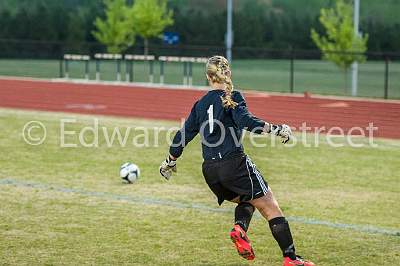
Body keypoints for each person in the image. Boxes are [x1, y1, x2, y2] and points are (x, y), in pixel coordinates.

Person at [159, 55, 315, 266]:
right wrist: (278, 129)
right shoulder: (232, 96)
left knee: (247, 199)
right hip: (234, 163)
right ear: (228, 73)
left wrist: (170, 160)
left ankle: (240, 228)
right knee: (270, 205)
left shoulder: (200, 104)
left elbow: (183, 135)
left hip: (210, 171)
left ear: (208, 76)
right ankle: (291, 258)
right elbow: (247, 122)